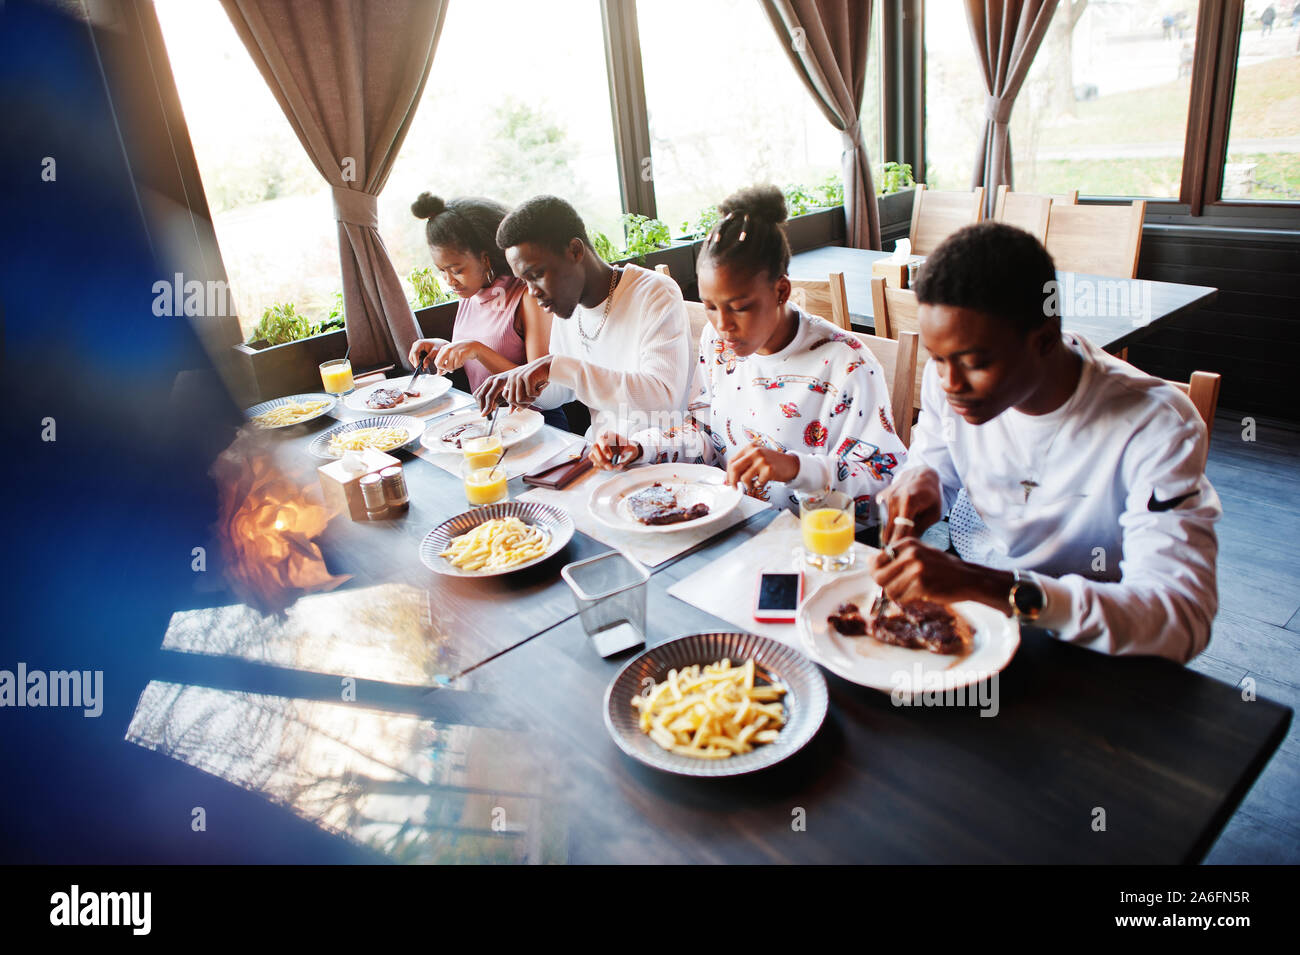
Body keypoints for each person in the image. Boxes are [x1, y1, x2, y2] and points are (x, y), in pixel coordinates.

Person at [873, 222, 1221, 664]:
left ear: (1043, 337)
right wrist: (922, 478)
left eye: (975, 363)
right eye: (937, 359)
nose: (950, 383)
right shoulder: (948, 384)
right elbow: (934, 465)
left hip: (1093, 635)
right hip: (979, 608)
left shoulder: (1155, 425)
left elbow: (1181, 619)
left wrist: (986, 585)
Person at [589, 185, 906, 521]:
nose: (723, 325)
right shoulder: (717, 342)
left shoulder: (848, 365)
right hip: (736, 527)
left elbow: (884, 487)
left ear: (781, 290)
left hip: (813, 541)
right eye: (710, 307)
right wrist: (641, 447)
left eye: (740, 308)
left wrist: (797, 468)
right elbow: (705, 435)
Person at [474, 195, 691, 439]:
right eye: (524, 281)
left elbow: (662, 401)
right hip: (600, 454)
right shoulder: (568, 306)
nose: (533, 292)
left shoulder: (654, 292)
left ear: (575, 251)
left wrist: (553, 366)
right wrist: (520, 382)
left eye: (536, 274)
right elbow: (560, 393)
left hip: (660, 458)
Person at [406, 193, 566, 430]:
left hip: (537, 425)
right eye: (442, 271)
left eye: (456, 269)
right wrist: (444, 347)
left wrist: (477, 350)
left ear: (486, 258)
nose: (449, 280)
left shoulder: (527, 295)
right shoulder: (471, 292)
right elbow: (479, 344)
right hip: (489, 422)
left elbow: (542, 386)